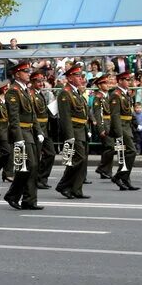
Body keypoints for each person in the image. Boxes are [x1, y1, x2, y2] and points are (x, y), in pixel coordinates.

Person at [3, 62, 43, 210]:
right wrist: (18, 138)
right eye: (25, 72)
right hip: (21, 133)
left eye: (28, 71)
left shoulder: (25, 90)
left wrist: (39, 131)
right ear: (17, 74)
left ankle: (29, 200)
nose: (28, 74)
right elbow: (13, 118)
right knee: (28, 166)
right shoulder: (13, 91)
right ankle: (13, 195)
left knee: (33, 167)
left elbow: (32, 115)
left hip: (29, 133)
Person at [55, 65, 90, 199]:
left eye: (80, 76)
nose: (80, 78)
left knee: (82, 161)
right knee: (78, 159)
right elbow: (65, 117)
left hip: (82, 130)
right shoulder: (65, 93)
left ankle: (76, 189)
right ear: (69, 78)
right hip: (74, 131)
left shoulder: (76, 92)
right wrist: (69, 137)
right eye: (77, 76)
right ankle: (64, 185)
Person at [109, 71, 140, 191]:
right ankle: (119, 176)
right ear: (120, 81)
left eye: (129, 80)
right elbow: (115, 115)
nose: (129, 82)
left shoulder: (125, 94)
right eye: (126, 80)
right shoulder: (116, 95)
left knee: (128, 153)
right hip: (121, 126)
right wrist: (119, 132)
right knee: (132, 151)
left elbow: (129, 111)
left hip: (127, 126)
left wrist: (135, 122)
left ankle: (124, 179)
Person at [29, 71, 53, 189]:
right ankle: (36, 180)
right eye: (38, 81)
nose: (41, 83)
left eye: (42, 81)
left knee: (51, 153)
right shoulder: (31, 95)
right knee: (37, 155)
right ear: (32, 82)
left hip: (45, 128)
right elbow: (33, 114)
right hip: (37, 129)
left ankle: (42, 178)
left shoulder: (40, 94)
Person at [92, 75, 115, 180]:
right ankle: (102, 168)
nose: (108, 85)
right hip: (104, 124)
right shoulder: (98, 97)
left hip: (110, 123)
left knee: (108, 147)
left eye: (108, 83)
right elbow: (98, 114)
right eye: (105, 83)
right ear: (100, 86)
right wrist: (101, 129)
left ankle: (106, 171)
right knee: (110, 147)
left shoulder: (108, 96)